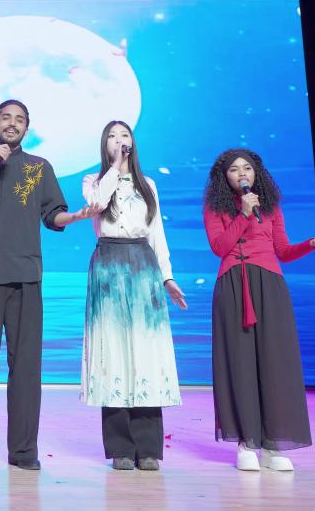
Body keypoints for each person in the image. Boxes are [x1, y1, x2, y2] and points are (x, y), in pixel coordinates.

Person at [0, 99, 98, 471]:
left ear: (27, 128)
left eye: (19, 120)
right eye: (6, 118)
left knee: (26, 368)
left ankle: (24, 451)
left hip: (25, 278)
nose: (12, 124)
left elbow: (52, 214)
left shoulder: (39, 167)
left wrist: (76, 216)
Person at [203, 148, 315, 471]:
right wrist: (242, 214)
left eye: (247, 168)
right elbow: (219, 247)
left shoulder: (270, 206)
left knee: (275, 363)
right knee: (240, 363)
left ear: (257, 173)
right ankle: (246, 443)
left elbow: (282, 250)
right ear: (224, 177)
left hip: (270, 286)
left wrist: (312, 243)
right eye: (234, 169)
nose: (242, 173)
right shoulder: (216, 207)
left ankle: (272, 445)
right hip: (234, 286)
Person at [81, 120, 187, 471]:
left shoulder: (148, 184)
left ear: (133, 142)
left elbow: (157, 233)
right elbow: (97, 204)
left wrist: (167, 277)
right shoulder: (93, 181)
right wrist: (114, 168)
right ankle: (120, 448)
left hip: (143, 266)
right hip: (108, 266)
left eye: (124, 135)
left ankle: (149, 448)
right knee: (113, 354)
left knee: (145, 353)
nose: (119, 140)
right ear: (104, 144)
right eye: (111, 136)